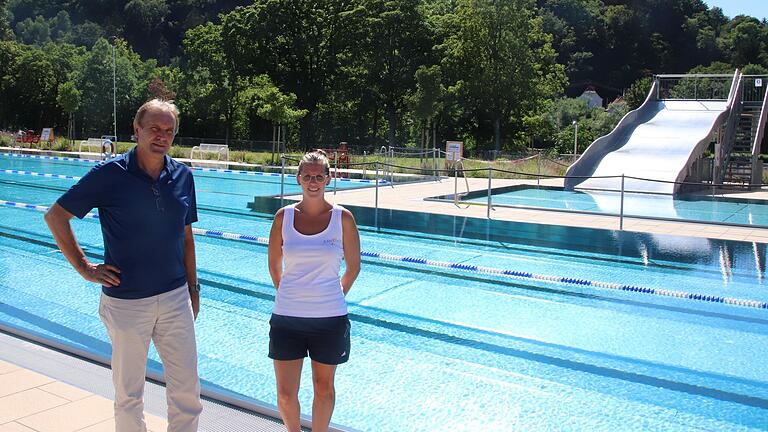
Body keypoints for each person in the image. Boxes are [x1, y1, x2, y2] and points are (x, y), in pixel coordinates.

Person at [44, 99, 203, 432]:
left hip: (175, 298)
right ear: (137, 129)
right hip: (127, 302)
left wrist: (193, 287)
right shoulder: (109, 174)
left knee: (187, 392)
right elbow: (56, 216)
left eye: (169, 131)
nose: (162, 136)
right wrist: (85, 268)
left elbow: (186, 237)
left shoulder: (183, 176)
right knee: (129, 395)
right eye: (154, 129)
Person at [267, 150, 361, 432]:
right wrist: (292, 295)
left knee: (323, 389)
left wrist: (332, 296)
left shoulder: (343, 219)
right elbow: (274, 265)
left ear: (328, 179)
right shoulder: (282, 217)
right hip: (287, 318)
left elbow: (353, 268)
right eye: (307, 176)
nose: (313, 181)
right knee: (285, 394)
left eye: (319, 176)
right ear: (298, 179)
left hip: (329, 319)